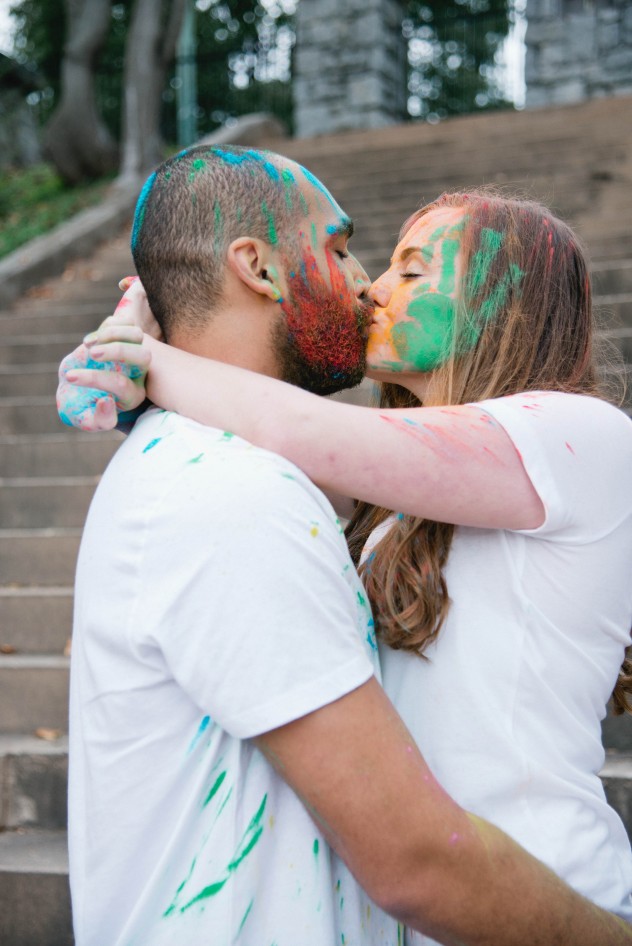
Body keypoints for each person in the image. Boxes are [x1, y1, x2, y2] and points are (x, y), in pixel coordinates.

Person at [58, 146, 632, 946]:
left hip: (547, 896)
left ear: (506, 299)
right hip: (456, 905)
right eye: (355, 255)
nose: (371, 285)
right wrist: (145, 321)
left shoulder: (586, 437)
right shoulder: (384, 509)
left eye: (412, 267)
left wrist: (148, 358)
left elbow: (303, 430)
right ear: (255, 267)